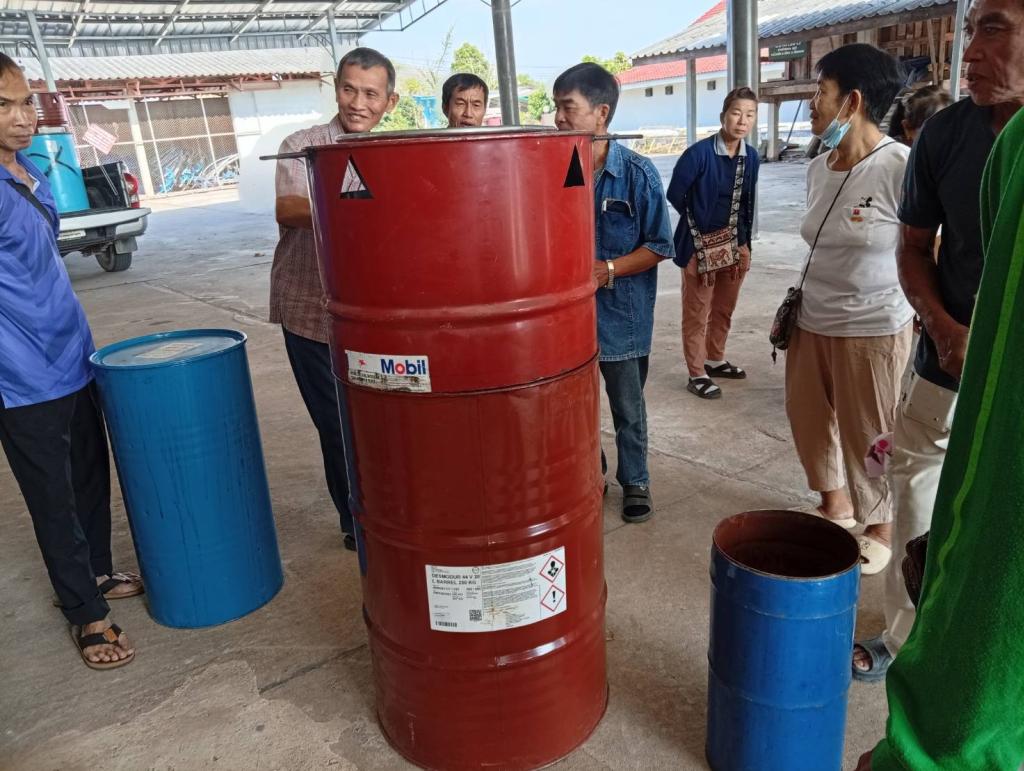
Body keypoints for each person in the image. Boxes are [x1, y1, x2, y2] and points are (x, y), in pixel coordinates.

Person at [851, 0, 1023, 683]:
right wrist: (944, 330)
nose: (969, 51)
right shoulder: (947, 135)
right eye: (970, 28)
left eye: (994, 28)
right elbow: (914, 247)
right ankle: (905, 642)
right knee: (918, 497)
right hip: (947, 366)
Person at [0, 54, 142, 669]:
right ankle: (85, 612)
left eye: (25, 102)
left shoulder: (28, 169)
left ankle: (98, 571)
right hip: (20, 374)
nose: (21, 118)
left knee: (88, 470)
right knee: (52, 496)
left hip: (72, 351)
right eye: (3, 106)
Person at [784, 44, 913, 575]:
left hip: (872, 324)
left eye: (821, 92)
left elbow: (929, 244)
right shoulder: (819, 167)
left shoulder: (899, 166)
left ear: (851, 102)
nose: (812, 104)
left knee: (872, 431)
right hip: (811, 318)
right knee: (810, 419)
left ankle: (880, 524)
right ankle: (834, 504)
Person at [272, 47, 398, 551]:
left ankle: (388, 510)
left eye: (371, 94)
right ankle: (355, 521)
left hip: (374, 317)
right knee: (336, 423)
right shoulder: (302, 145)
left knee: (381, 419)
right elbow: (288, 208)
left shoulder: (394, 152)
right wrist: (357, 209)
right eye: (349, 89)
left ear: (389, 101)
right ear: (336, 88)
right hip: (311, 312)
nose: (358, 103)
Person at [553, 63, 674, 523]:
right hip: (568, 317)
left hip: (623, 315)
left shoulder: (638, 174)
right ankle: (592, 471)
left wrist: (606, 270)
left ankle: (636, 480)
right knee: (576, 406)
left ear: (601, 113)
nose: (558, 118)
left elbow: (660, 245)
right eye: (556, 107)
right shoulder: (553, 170)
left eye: (568, 107)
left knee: (627, 406)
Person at [667, 87, 760, 399]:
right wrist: (700, 228)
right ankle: (696, 373)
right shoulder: (698, 154)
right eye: (736, 113)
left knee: (723, 308)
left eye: (750, 115)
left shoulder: (752, 157)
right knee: (697, 312)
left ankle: (715, 359)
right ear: (723, 116)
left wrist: (744, 243)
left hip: (736, 244)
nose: (742, 120)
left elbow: (747, 201)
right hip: (699, 247)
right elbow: (675, 194)